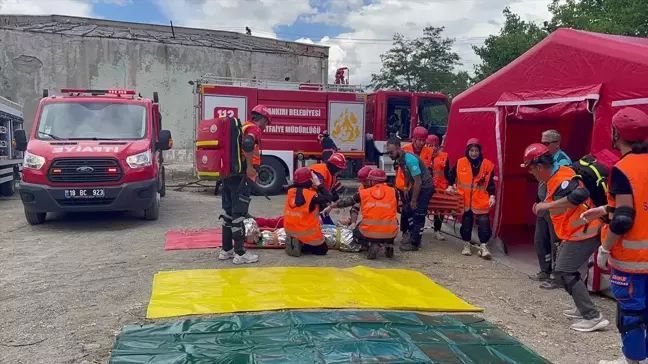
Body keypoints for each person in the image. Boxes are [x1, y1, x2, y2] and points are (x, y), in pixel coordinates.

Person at [583, 107, 648, 361]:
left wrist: (605, 248)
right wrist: (601, 209)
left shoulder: (623, 169)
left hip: (632, 262)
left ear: (616, 134)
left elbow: (623, 219)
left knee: (631, 314)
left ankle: (633, 360)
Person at [523, 142, 609, 332]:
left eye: (532, 169)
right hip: (577, 230)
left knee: (563, 271)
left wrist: (545, 206)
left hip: (584, 229)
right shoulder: (555, 177)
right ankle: (582, 308)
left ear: (539, 166)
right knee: (567, 270)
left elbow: (578, 196)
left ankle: (592, 316)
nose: (532, 174)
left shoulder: (562, 176)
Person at [218, 104, 271, 264]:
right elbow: (248, 144)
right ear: (262, 119)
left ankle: (226, 250)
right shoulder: (254, 129)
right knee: (239, 214)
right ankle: (240, 253)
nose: (266, 126)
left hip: (228, 174)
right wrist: (249, 167)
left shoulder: (243, 126)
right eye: (266, 122)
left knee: (228, 213)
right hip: (241, 176)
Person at [324, 168, 398, 259]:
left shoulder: (364, 193)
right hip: (390, 232)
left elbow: (347, 202)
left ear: (371, 181)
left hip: (369, 231)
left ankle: (371, 244)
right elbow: (397, 208)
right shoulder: (394, 192)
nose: (363, 183)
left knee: (355, 233)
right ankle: (388, 244)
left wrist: (331, 206)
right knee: (393, 221)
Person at [534, 130, 572, 287]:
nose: (543, 146)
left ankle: (557, 276)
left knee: (556, 242)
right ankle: (545, 270)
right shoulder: (543, 158)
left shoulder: (563, 162)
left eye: (546, 143)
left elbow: (563, 188)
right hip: (544, 205)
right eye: (542, 142)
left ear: (557, 144)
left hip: (555, 208)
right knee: (540, 240)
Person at [448, 138, 496, 259]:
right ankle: (466, 244)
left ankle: (483, 246)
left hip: (481, 200)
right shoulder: (460, 162)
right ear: (468, 151)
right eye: (471, 150)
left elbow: (490, 183)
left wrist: (492, 196)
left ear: (480, 151)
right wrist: (451, 185)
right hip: (465, 201)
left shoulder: (487, 165)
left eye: (476, 150)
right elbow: (451, 174)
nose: (474, 153)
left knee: (484, 223)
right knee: (466, 223)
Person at [386, 137, 434, 252]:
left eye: (391, 152)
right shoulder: (400, 159)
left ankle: (415, 244)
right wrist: (406, 187)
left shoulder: (410, 160)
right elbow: (406, 173)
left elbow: (418, 182)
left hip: (425, 187)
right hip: (416, 186)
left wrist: (414, 200)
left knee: (418, 214)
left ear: (398, 149)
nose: (389, 155)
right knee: (407, 210)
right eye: (388, 152)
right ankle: (408, 234)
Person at [284, 167, 333, 257]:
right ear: (310, 180)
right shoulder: (311, 196)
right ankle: (303, 245)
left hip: (290, 230)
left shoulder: (290, 191)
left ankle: (296, 241)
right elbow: (329, 197)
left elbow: (299, 190)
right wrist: (318, 184)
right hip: (306, 233)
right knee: (323, 250)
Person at [309, 152, 347, 224]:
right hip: (309, 201)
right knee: (320, 221)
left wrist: (337, 203)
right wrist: (330, 206)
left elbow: (330, 189)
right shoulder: (320, 173)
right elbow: (319, 194)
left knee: (326, 221)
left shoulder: (331, 174)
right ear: (334, 167)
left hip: (317, 199)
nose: (340, 172)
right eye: (340, 169)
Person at [426, 134, 450, 241]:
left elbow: (448, 173)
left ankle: (437, 231)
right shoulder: (423, 157)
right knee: (421, 210)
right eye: (431, 145)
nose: (434, 148)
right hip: (426, 189)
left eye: (436, 145)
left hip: (441, 189)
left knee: (440, 211)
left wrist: (451, 186)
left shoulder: (444, 157)